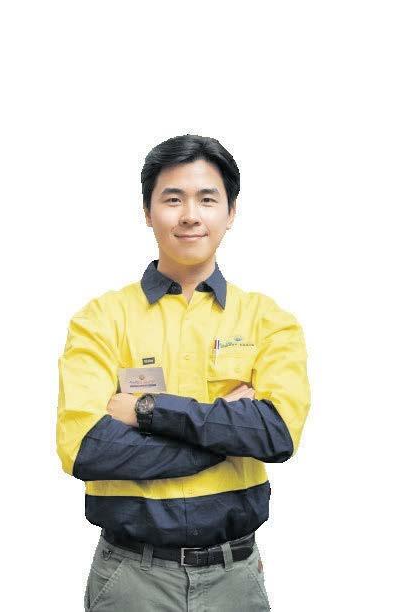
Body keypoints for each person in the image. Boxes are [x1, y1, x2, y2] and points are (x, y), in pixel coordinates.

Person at [56, 134, 311, 611]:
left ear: (230, 212)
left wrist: (148, 410)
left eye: (207, 199)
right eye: (173, 199)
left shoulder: (270, 321)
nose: (190, 214)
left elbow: (275, 434)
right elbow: (86, 449)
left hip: (235, 579)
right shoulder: (100, 320)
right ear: (147, 211)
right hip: (131, 578)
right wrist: (225, 436)